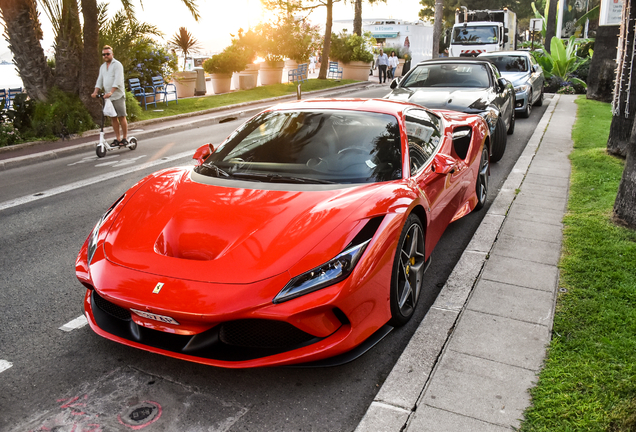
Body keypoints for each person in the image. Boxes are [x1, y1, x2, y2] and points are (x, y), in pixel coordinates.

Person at [91, 45, 128, 146]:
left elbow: (118, 80)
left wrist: (111, 92)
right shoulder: (103, 67)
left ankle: (124, 138)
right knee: (113, 117)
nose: (106, 56)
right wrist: (95, 92)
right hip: (108, 97)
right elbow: (100, 80)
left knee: (121, 116)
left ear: (112, 54)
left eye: (108, 54)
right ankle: (118, 138)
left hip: (117, 95)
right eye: (104, 54)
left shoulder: (117, 65)